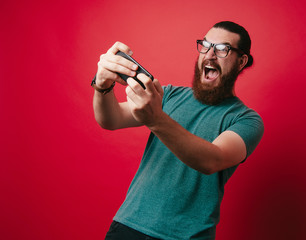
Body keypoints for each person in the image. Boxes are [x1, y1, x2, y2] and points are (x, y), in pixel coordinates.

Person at [92, 21, 264, 240]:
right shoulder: (170, 95)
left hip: (185, 236)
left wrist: (156, 119)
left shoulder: (246, 120)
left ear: (241, 62)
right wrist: (102, 85)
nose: (209, 55)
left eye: (222, 49)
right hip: (127, 226)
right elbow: (110, 119)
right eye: (206, 45)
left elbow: (212, 159)